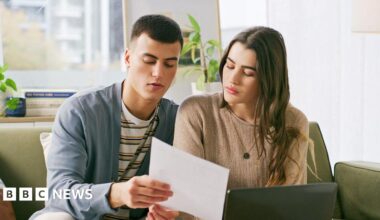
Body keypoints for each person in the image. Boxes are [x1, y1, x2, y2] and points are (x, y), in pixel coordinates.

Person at [31, 14, 182, 220]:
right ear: (128, 58)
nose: (158, 73)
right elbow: (59, 192)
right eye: (149, 60)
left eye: (169, 64)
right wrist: (115, 193)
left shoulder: (177, 119)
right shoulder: (80, 110)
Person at [174, 26, 309, 192]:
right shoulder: (195, 112)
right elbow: (187, 194)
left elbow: (290, 200)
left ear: (269, 80)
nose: (233, 79)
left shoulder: (293, 120)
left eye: (247, 73)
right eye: (230, 66)